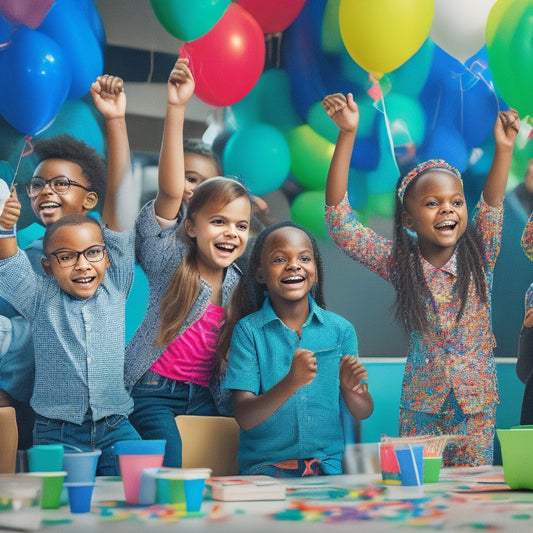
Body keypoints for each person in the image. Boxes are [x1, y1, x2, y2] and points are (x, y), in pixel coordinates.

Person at [322, 91, 520, 467]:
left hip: (475, 408)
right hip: (421, 408)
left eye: (456, 202)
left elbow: (492, 205)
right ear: (409, 220)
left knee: (469, 497)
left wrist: (504, 149)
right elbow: (340, 222)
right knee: (419, 494)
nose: (447, 208)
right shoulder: (401, 263)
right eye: (432, 203)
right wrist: (347, 135)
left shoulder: (482, 254)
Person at [124, 58, 253, 468]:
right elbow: (169, 190)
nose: (230, 233)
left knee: (226, 461)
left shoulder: (239, 283)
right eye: (218, 222)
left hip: (205, 396)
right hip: (154, 391)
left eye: (240, 226)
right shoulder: (169, 257)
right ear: (192, 226)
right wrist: (176, 108)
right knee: (174, 465)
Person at [218, 221, 373, 476]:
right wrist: (291, 382)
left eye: (304, 258)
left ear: (315, 270)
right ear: (260, 274)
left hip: (327, 471)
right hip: (265, 472)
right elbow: (245, 416)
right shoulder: (248, 332)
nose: (293, 265)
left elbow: (363, 411)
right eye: (279, 259)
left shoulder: (341, 330)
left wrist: (351, 390)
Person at [0, 193, 140, 475]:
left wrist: (116, 145)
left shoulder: (116, 286)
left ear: (107, 258)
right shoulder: (39, 297)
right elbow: (10, 264)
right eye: (66, 257)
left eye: (93, 253)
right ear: (47, 267)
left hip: (116, 427)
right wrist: (5, 226)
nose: (83, 264)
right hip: (57, 433)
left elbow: (118, 209)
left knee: (131, 500)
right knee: (59, 508)